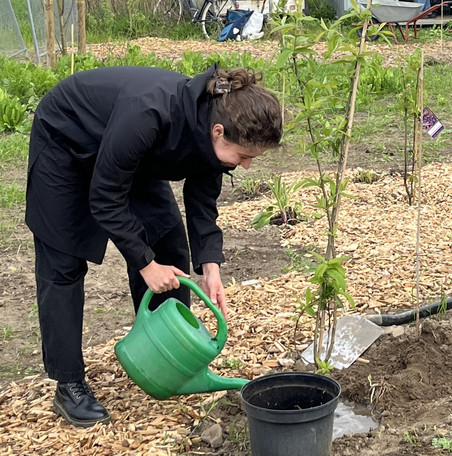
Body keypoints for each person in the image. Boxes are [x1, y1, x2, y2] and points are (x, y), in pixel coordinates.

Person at [26, 65, 282, 428]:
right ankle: (69, 386)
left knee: (167, 244)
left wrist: (210, 266)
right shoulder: (149, 114)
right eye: (243, 156)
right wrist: (146, 264)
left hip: (129, 154)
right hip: (67, 141)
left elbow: (202, 202)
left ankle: (168, 356)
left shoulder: (213, 123)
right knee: (63, 264)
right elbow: (105, 197)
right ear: (218, 131)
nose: (247, 165)